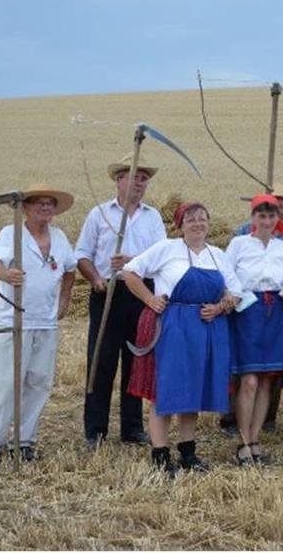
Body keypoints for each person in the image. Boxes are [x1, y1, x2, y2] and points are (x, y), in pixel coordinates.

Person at [122, 202, 244, 475]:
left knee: (194, 390)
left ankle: (188, 452)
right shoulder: (167, 249)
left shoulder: (217, 255)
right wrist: (149, 299)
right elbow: (129, 271)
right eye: (191, 219)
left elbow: (235, 292)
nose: (198, 223)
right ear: (180, 224)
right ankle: (160, 454)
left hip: (205, 327)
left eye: (203, 218)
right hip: (173, 325)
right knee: (165, 388)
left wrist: (220, 307)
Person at [0, 185, 77, 470]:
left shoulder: (59, 237)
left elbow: (69, 269)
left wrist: (65, 299)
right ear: (25, 208)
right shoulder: (12, 234)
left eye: (50, 204)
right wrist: (7, 275)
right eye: (38, 204)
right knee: (6, 382)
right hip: (14, 319)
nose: (45, 208)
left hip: (45, 322)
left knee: (38, 381)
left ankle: (24, 440)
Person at [75, 153, 165, 449]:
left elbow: (161, 259)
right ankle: (95, 430)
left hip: (141, 294)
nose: (140, 182)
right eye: (135, 176)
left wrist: (133, 261)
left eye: (144, 178)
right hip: (107, 293)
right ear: (119, 180)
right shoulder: (99, 214)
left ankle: (132, 428)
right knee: (101, 360)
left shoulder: (153, 217)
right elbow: (82, 255)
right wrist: (95, 279)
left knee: (136, 360)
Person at [222, 183, 283, 438]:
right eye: (262, 215)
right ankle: (243, 437)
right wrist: (233, 297)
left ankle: (255, 437)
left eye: (271, 216)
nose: (267, 220)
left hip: (276, 312)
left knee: (267, 379)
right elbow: (226, 275)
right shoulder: (239, 243)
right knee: (248, 379)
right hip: (247, 311)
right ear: (253, 217)